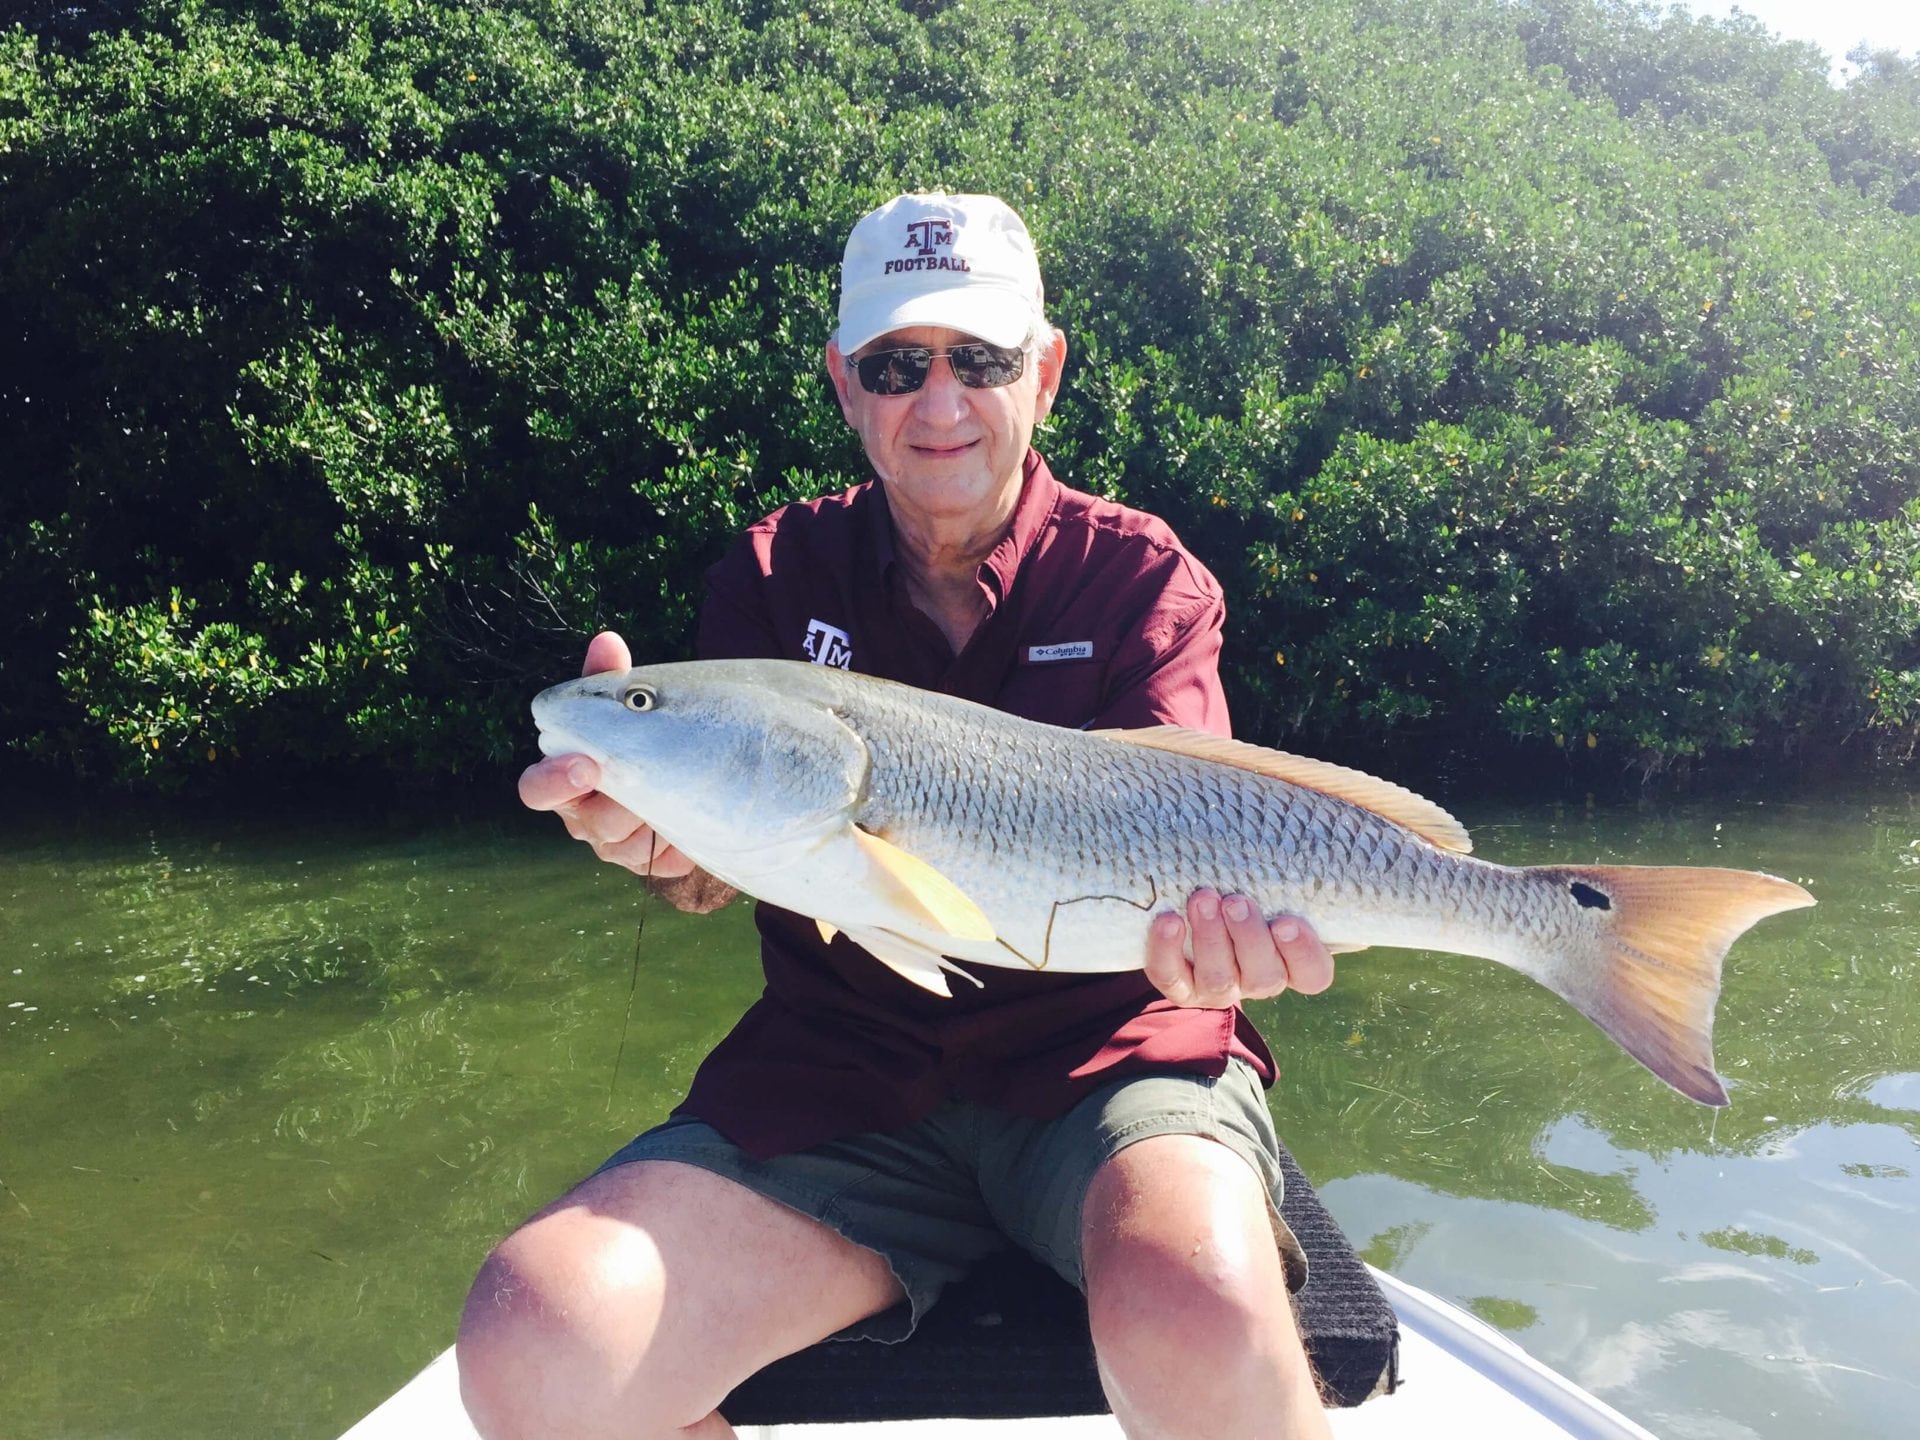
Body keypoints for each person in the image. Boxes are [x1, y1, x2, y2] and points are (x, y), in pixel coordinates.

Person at [457, 192, 1338, 1440]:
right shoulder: (769, 583)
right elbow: (732, 870)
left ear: (1045, 370)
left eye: (979, 360)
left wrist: (1225, 951)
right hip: (841, 1076)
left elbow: (1197, 818)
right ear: (842, 382)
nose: (939, 402)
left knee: (1201, 1310)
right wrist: (662, 845)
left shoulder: (1143, 579)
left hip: (1109, 1064)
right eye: (895, 364)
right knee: (535, 1342)